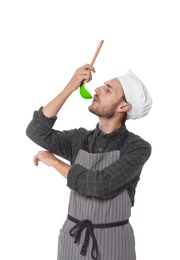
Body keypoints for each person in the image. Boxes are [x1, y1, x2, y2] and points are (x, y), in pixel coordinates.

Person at [26, 63, 152, 260]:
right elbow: (36, 131)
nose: (98, 89)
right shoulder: (80, 139)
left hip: (114, 243)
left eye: (108, 89)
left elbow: (100, 184)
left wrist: (54, 162)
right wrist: (70, 87)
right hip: (72, 240)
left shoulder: (137, 147)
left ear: (123, 106)